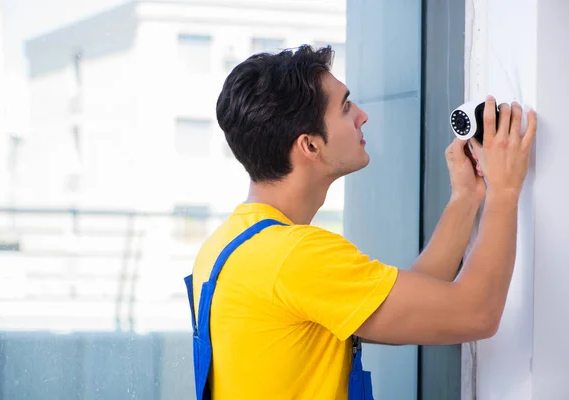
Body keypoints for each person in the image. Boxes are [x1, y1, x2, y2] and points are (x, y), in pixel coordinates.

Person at [185, 45, 537, 400]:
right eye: (346, 107)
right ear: (310, 145)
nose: (362, 115)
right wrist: (504, 191)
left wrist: (466, 199)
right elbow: (475, 313)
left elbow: (410, 304)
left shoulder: (227, 247)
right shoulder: (296, 257)